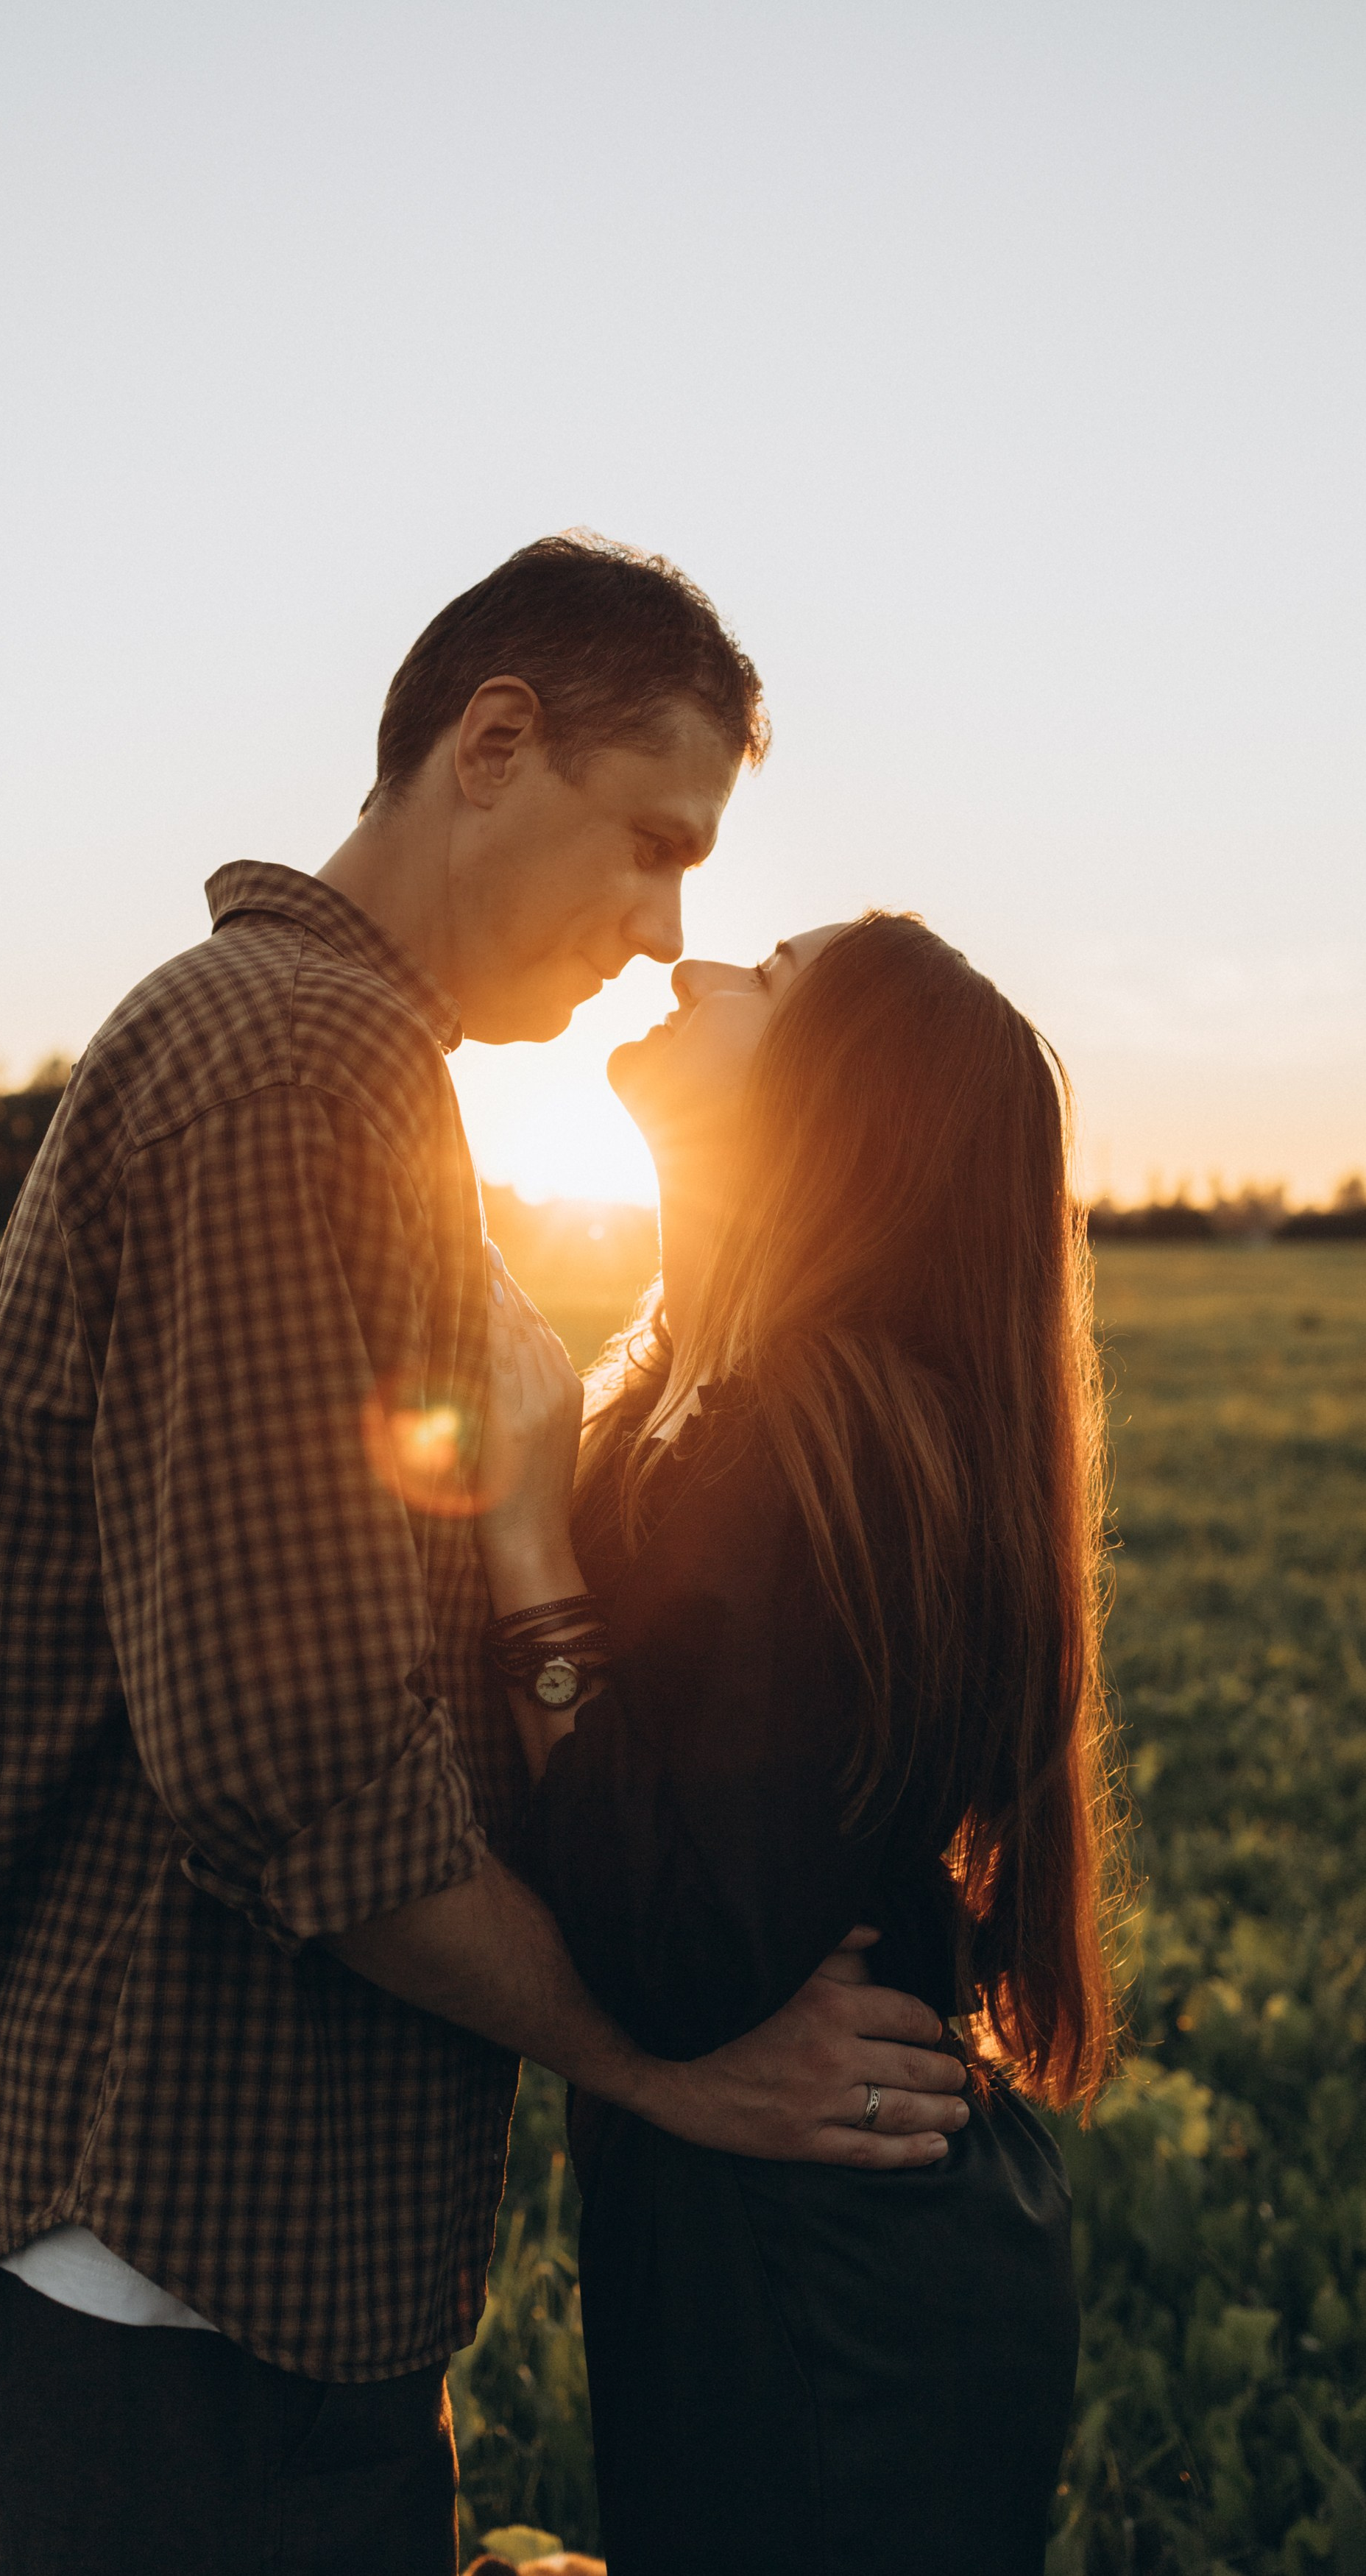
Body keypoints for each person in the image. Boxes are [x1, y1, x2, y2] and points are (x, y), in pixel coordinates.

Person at [0, 535, 971, 2576]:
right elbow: (293, 1764)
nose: (658, 929)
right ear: (492, 740)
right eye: (648, 841)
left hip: (253, 2253)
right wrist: (677, 2070)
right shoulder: (290, 1063)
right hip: (182, 2254)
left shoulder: (345, 1072)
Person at [475, 913, 1125, 2574]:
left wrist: (535, 1555)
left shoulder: (809, 1445)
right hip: (805, 2225)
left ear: (832, 1107)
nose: (693, 971)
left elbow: (677, 1948)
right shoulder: (713, 1401)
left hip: (830, 2264)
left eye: (765, 980)